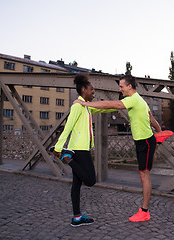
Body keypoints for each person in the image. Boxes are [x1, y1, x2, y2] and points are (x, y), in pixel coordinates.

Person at [74, 74, 162, 222]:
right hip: (144, 141)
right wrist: (159, 131)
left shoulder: (133, 99)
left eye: (121, 86)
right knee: (143, 173)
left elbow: (110, 105)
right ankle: (158, 138)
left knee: (144, 175)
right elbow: (151, 117)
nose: (120, 89)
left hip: (146, 142)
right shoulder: (140, 100)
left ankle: (145, 211)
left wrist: (87, 104)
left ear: (129, 86)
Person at [52, 74, 114, 227]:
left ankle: (77, 217)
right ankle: (67, 159)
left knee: (76, 184)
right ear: (84, 89)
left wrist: (120, 104)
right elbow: (68, 127)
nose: (94, 92)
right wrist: (59, 147)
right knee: (91, 180)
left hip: (79, 148)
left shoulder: (86, 107)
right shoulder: (77, 106)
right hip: (78, 150)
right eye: (92, 90)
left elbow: (102, 109)